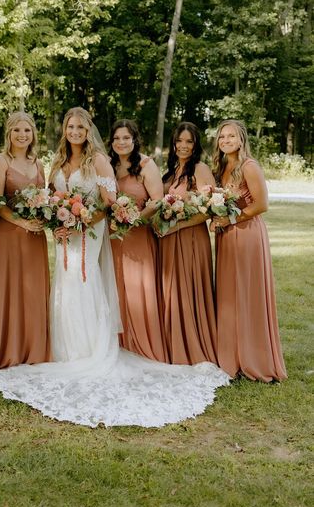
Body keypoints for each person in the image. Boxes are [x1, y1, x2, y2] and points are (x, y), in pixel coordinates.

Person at [0, 108, 229, 428]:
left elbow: (108, 202)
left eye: (81, 126)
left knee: (82, 280)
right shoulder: (56, 162)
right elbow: (52, 197)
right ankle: (63, 350)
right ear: (64, 129)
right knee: (64, 283)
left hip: (89, 231)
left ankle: (87, 351)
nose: (76, 131)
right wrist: (57, 221)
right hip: (62, 232)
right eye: (70, 126)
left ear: (88, 130)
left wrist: (80, 221)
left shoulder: (98, 161)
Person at [211, 119, 287, 382]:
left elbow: (262, 204)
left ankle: (254, 357)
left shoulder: (249, 166)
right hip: (226, 236)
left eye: (231, 136)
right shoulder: (221, 166)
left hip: (247, 235)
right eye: (222, 137)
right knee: (229, 294)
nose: (226, 141)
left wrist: (229, 220)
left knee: (247, 293)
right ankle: (232, 355)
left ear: (241, 139)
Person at [0, 112, 50, 370]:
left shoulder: (38, 163)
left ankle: (33, 347)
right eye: (17, 131)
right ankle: (8, 348)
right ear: (9, 134)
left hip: (35, 236)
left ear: (33, 134)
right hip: (7, 234)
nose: (22, 135)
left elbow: (44, 198)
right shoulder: (0, 161)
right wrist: (21, 222)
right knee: (9, 289)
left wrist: (43, 217)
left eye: (27, 131)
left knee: (33, 291)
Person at [158, 122, 219, 366]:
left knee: (189, 290)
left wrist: (179, 226)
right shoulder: (172, 169)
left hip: (191, 238)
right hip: (170, 238)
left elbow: (209, 209)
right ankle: (174, 343)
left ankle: (194, 344)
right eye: (179, 141)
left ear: (196, 145)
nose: (183, 146)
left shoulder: (200, 169)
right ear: (173, 143)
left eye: (189, 141)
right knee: (172, 291)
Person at [109, 119, 168, 362]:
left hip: (138, 237)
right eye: (116, 138)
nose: (121, 143)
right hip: (112, 237)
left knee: (138, 289)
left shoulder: (146, 165)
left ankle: (142, 344)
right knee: (115, 287)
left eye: (126, 138)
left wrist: (133, 219)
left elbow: (157, 200)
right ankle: (118, 344)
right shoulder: (108, 166)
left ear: (134, 140)